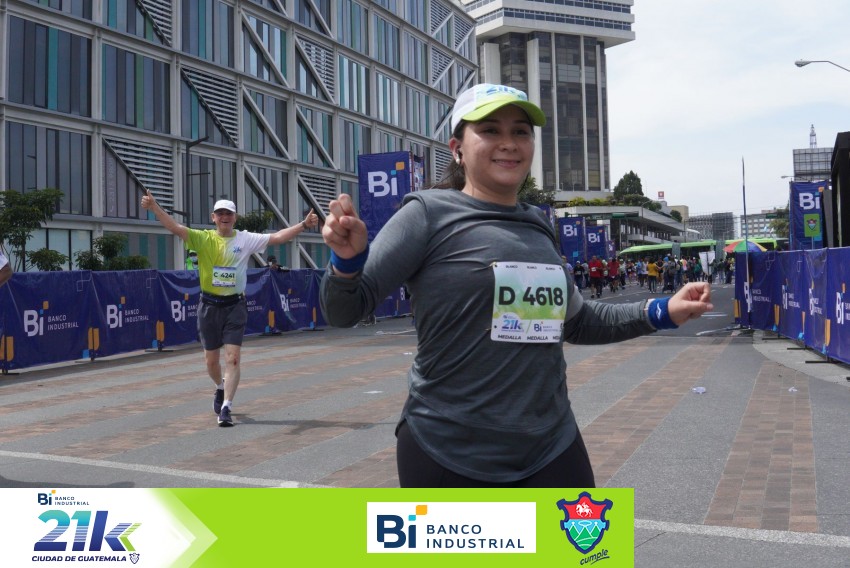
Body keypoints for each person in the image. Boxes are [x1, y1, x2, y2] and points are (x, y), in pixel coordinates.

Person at [319, 83, 713, 488]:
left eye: (520, 131)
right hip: (447, 450)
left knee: (588, 534)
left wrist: (664, 310)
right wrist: (346, 263)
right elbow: (344, 311)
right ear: (457, 148)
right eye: (490, 130)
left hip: (551, 446)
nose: (508, 143)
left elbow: (576, 322)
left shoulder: (537, 225)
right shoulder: (425, 214)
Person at [141, 192, 319, 426]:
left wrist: (303, 225)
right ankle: (219, 386)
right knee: (211, 362)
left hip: (235, 305)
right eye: (221, 213)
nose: (225, 217)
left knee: (233, 359)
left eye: (229, 213)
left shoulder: (245, 239)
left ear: (235, 217)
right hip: (209, 306)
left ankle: (226, 406)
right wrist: (154, 207)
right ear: (213, 217)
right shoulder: (202, 238)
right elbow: (174, 227)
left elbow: (277, 237)